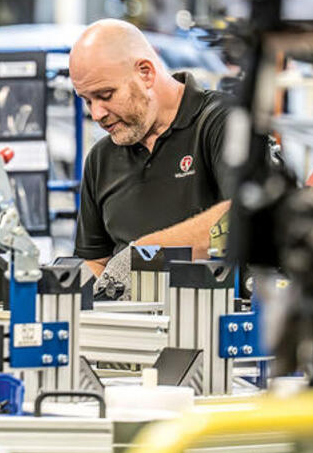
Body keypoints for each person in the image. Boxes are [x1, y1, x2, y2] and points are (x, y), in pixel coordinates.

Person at [70, 19, 234, 277]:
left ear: (145, 72)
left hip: (211, 311)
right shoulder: (101, 159)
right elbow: (96, 262)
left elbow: (246, 216)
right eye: (87, 101)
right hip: (129, 317)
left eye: (105, 95)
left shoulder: (222, 122)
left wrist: (144, 254)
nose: (97, 114)